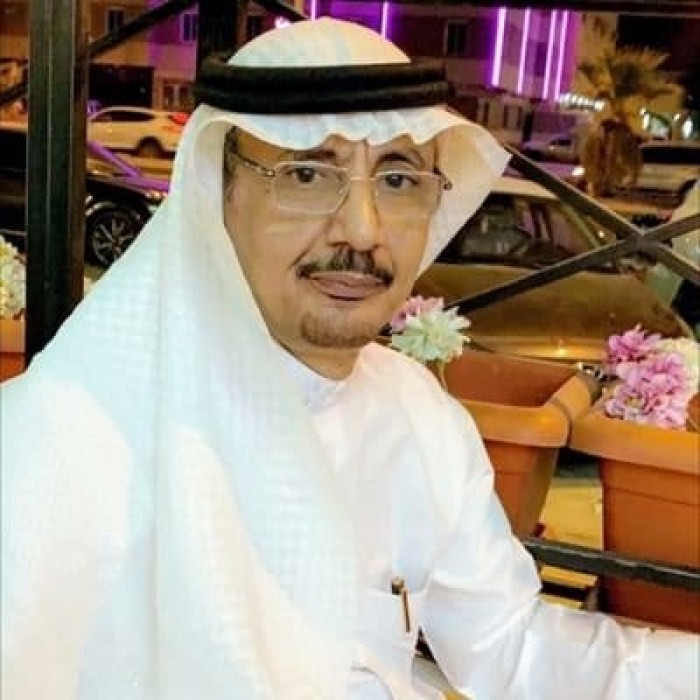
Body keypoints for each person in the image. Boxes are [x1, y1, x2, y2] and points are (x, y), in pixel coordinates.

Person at [1, 17, 697, 700]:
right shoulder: (61, 440)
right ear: (218, 195)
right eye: (307, 174)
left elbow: (512, 648)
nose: (362, 232)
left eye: (398, 179)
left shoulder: (414, 411)